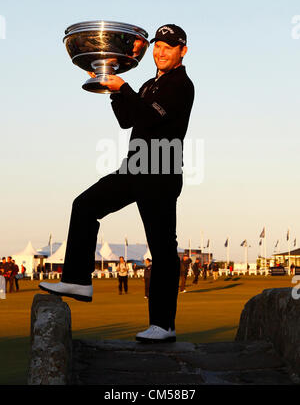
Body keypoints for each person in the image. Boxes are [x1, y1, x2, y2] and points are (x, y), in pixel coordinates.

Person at [39, 23, 194, 343]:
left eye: (169, 46)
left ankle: (163, 326)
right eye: (158, 46)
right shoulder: (151, 84)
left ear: (183, 51)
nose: (161, 51)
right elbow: (129, 119)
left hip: (161, 171)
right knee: (84, 205)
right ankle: (78, 280)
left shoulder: (182, 84)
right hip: (135, 168)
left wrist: (123, 88)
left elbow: (151, 118)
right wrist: (112, 88)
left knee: (163, 249)